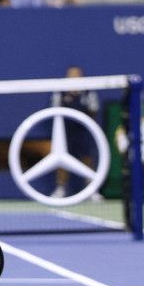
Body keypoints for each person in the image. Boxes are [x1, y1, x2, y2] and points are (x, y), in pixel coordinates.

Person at [51, 66, 100, 199]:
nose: (74, 77)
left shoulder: (88, 92)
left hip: (83, 130)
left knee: (87, 158)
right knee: (61, 158)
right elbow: (54, 110)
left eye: (76, 74)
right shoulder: (60, 92)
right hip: (65, 131)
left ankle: (91, 189)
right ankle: (60, 189)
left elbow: (94, 110)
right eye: (71, 74)